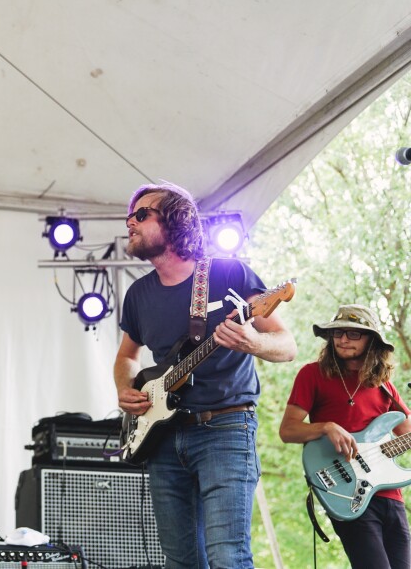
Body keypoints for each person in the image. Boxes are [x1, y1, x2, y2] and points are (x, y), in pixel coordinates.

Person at [114, 182, 296, 568]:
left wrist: (253, 343)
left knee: (227, 557)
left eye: (142, 214)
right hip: (162, 437)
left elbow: (287, 344)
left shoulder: (228, 272)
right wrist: (123, 388)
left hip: (224, 430)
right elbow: (127, 357)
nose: (130, 221)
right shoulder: (138, 295)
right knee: (180, 561)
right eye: (129, 215)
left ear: (176, 221)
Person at [279, 304, 411, 568]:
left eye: (353, 334)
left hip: (390, 494)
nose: (342, 339)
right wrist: (326, 426)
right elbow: (288, 430)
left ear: (371, 340)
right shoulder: (312, 374)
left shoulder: (384, 386)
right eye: (338, 333)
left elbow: (405, 433)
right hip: (347, 492)